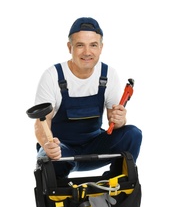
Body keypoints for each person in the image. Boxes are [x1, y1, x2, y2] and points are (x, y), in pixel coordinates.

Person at [34, 17, 142, 179]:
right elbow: (40, 123)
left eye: (93, 45)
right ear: (69, 47)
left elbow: (115, 123)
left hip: (95, 147)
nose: (87, 52)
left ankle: (116, 187)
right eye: (80, 45)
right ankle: (61, 198)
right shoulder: (52, 76)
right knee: (47, 159)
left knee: (133, 134)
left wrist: (120, 121)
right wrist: (48, 145)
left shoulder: (108, 75)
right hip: (62, 151)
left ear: (101, 48)